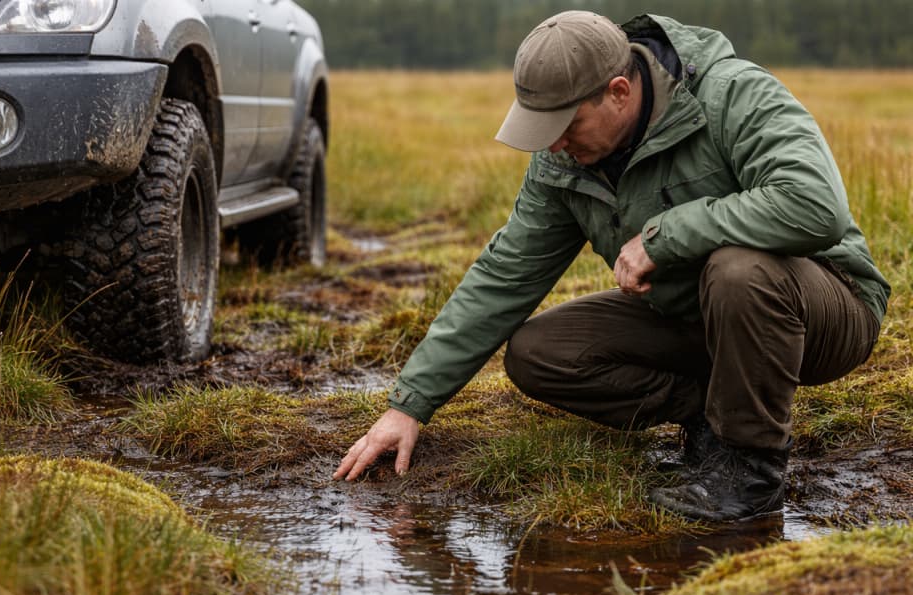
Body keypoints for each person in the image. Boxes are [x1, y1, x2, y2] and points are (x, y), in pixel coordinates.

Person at [333, 11, 890, 522]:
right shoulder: (562, 162)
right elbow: (504, 276)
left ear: (618, 92)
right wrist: (409, 406)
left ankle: (750, 474)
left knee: (738, 268)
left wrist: (667, 235)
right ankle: (711, 421)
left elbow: (814, 206)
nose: (552, 145)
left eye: (566, 125)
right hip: (698, 320)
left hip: (822, 309)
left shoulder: (729, 93)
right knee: (539, 353)